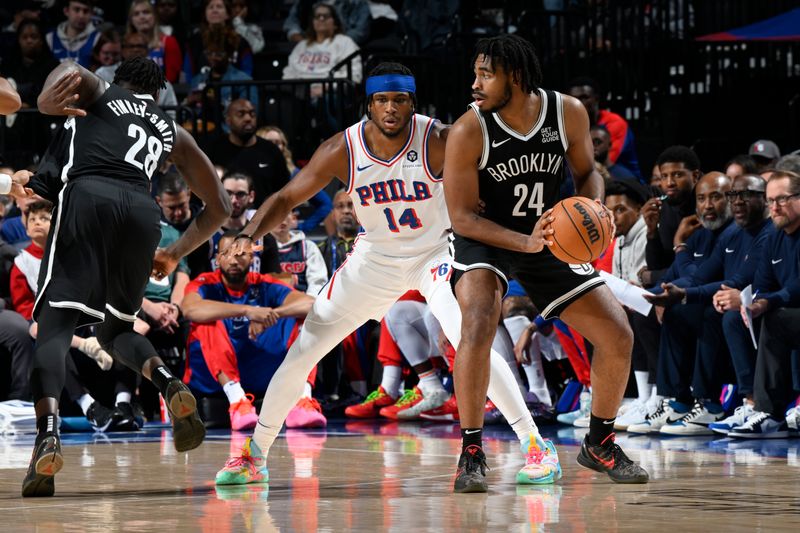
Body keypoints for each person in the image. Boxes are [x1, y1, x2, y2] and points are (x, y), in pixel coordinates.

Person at [213, 62, 559, 489]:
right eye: (382, 100)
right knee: (304, 351)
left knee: (472, 338)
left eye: (400, 100)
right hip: (375, 257)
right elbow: (286, 196)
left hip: (436, 253)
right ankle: (255, 455)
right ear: (369, 105)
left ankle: (536, 445)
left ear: (413, 103)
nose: (391, 108)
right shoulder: (344, 147)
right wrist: (248, 234)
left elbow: (498, 173)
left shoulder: (439, 138)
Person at [7, 56, 231, 497]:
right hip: (142, 215)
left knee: (53, 327)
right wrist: (173, 253)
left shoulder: (95, 98)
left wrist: (45, 101)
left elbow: (70, 70)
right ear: (160, 94)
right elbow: (220, 206)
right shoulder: (172, 131)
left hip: (88, 198)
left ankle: (47, 436)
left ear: (117, 80)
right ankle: (168, 383)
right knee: (116, 331)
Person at [443, 34, 648, 489]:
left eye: (485, 74)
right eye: (475, 72)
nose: (474, 83)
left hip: (550, 231)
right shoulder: (468, 129)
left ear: (514, 77)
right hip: (488, 238)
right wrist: (523, 241)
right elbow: (460, 217)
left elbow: (587, 172)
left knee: (617, 333)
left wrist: (593, 210)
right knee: (478, 319)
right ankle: (472, 451)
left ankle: (600, 443)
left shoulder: (567, 112)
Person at [181, 232, 315, 431]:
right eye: (227, 253)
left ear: (252, 258)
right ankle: (236, 401)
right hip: (213, 375)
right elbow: (190, 310)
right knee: (206, 322)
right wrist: (247, 311)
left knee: (308, 320)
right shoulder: (204, 283)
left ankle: (303, 399)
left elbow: (311, 304)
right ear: (217, 259)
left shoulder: (264, 283)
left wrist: (270, 315)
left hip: (258, 366)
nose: (233, 260)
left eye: (241, 254)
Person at [201, 99, 290, 206]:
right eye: (241, 114)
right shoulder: (214, 150)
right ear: (228, 121)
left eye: (252, 114)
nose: (248, 118)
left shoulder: (271, 151)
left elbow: (284, 190)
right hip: (225, 218)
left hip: (265, 218)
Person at [257, 125, 332, 234]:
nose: (275, 147)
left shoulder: (294, 174)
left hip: (284, 233)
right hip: (256, 232)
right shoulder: (249, 171)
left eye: (278, 143)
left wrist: (303, 227)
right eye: (269, 142)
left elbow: (326, 204)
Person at [282, 3, 363, 87]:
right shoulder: (301, 45)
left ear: (335, 23)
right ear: (312, 22)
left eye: (326, 16)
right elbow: (288, 73)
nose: (321, 19)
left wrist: (327, 88)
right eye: (317, 16)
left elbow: (354, 75)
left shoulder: (345, 42)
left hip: (332, 93)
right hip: (300, 92)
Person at [126, 0, 182, 83]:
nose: (142, 17)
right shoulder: (125, 44)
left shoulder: (168, 42)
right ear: (131, 20)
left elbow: (172, 79)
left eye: (146, 12)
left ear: (155, 16)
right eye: (136, 14)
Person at [45, 0, 100, 68]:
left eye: (86, 11)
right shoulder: (50, 37)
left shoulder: (98, 38)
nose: (81, 16)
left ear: (92, 14)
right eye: (77, 10)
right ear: (66, 11)